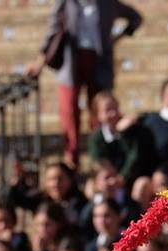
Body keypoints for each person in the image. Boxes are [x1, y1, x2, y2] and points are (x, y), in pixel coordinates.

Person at [28, 0, 142, 168]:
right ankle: (72, 156)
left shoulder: (107, 4)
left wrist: (117, 37)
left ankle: (99, 156)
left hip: (99, 60)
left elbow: (135, 18)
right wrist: (40, 62)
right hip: (71, 61)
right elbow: (53, 30)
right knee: (69, 109)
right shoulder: (67, 3)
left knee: (99, 110)